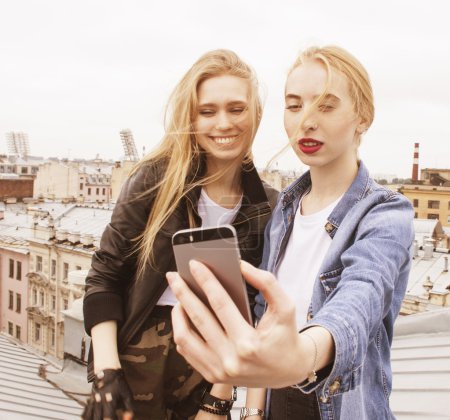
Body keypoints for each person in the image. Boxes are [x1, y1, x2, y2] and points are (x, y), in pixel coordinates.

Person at [167, 45, 414, 420]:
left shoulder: (384, 212)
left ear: (363, 117)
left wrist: (302, 356)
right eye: (294, 105)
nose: (306, 122)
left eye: (326, 106)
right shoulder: (282, 209)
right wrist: (238, 408)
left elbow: (361, 297)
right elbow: (265, 318)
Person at [82, 49, 278, 420]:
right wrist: (107, 375)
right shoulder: (154, 181)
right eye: (208, 111)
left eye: (236, 109)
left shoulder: (265, 205)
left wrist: (218, 401)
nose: (223, 123)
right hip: (131, 363)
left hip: (204, 373)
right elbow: (104, 277)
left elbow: (250, 314)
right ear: (191, 117)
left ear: (255, 114)